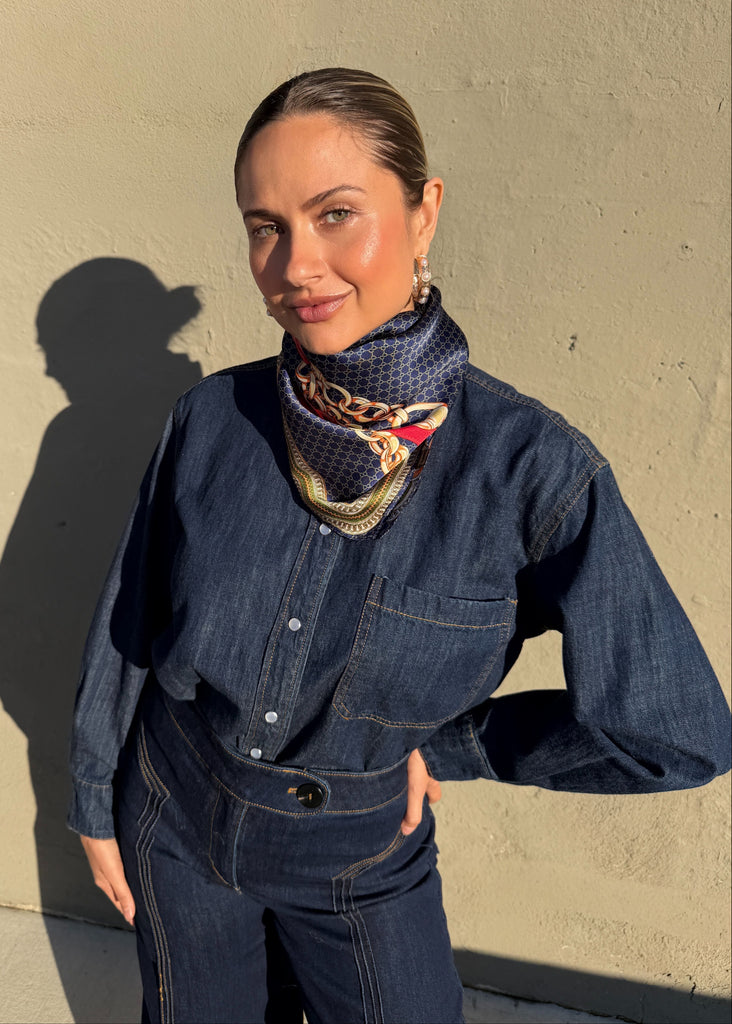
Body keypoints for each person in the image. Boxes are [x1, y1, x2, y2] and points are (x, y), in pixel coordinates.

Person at [68, 68, 731, 1024]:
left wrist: (462, 746)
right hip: (176, 816)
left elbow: (673, 731)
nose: (295, 264)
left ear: (424, 214)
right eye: (266, 226)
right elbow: (130, 619)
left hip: (358, 859)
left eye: (336, 213)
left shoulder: (531, 472)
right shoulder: (212, 419)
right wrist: (95, 796)